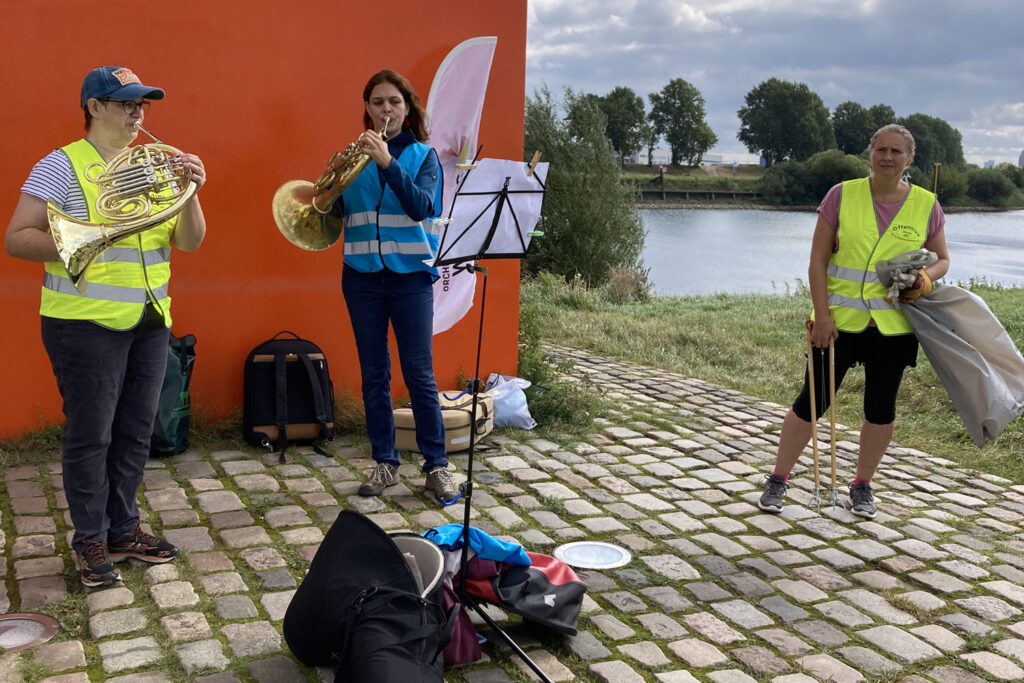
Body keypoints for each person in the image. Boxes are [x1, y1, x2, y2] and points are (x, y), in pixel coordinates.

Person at [4, 66, 207, 587]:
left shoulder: (156, 166)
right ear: (94, 107)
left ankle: (123, 528)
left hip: (149, 319)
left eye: (143, 104)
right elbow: (16, 237)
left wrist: (192, 190)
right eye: (125, 103)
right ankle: (90, 540)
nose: (138, 112)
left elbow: (189, 241)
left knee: (136, 433)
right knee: (90, 436)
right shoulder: (60, 166)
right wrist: (88, 238)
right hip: (83, 323)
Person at [757, 124, 949, 519]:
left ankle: (862, 486)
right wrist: (822, 316)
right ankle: (779, 479)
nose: (888, 157)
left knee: (881, 408)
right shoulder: (841, 195)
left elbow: (941, 258)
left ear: (909, 159)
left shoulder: (927, 204)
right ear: (870, 154)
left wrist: (927, 279)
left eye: (897, 151)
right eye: (881, 149)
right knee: (812, 402)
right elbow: (817, 260)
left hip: (892, 327)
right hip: (837, 324)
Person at [338, 69, 458, 505]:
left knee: (420, 375)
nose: (385, 109)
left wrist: (386, 162)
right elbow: (331, 217)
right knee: (374, 375)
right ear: (367, 109)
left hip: (410, 278)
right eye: (376, 103)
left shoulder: (423, 157)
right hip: (362, 278)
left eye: (393, 102)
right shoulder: (352, 157)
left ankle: (437, 466)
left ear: (407, 109)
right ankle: (385, 462)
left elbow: (421, 207)